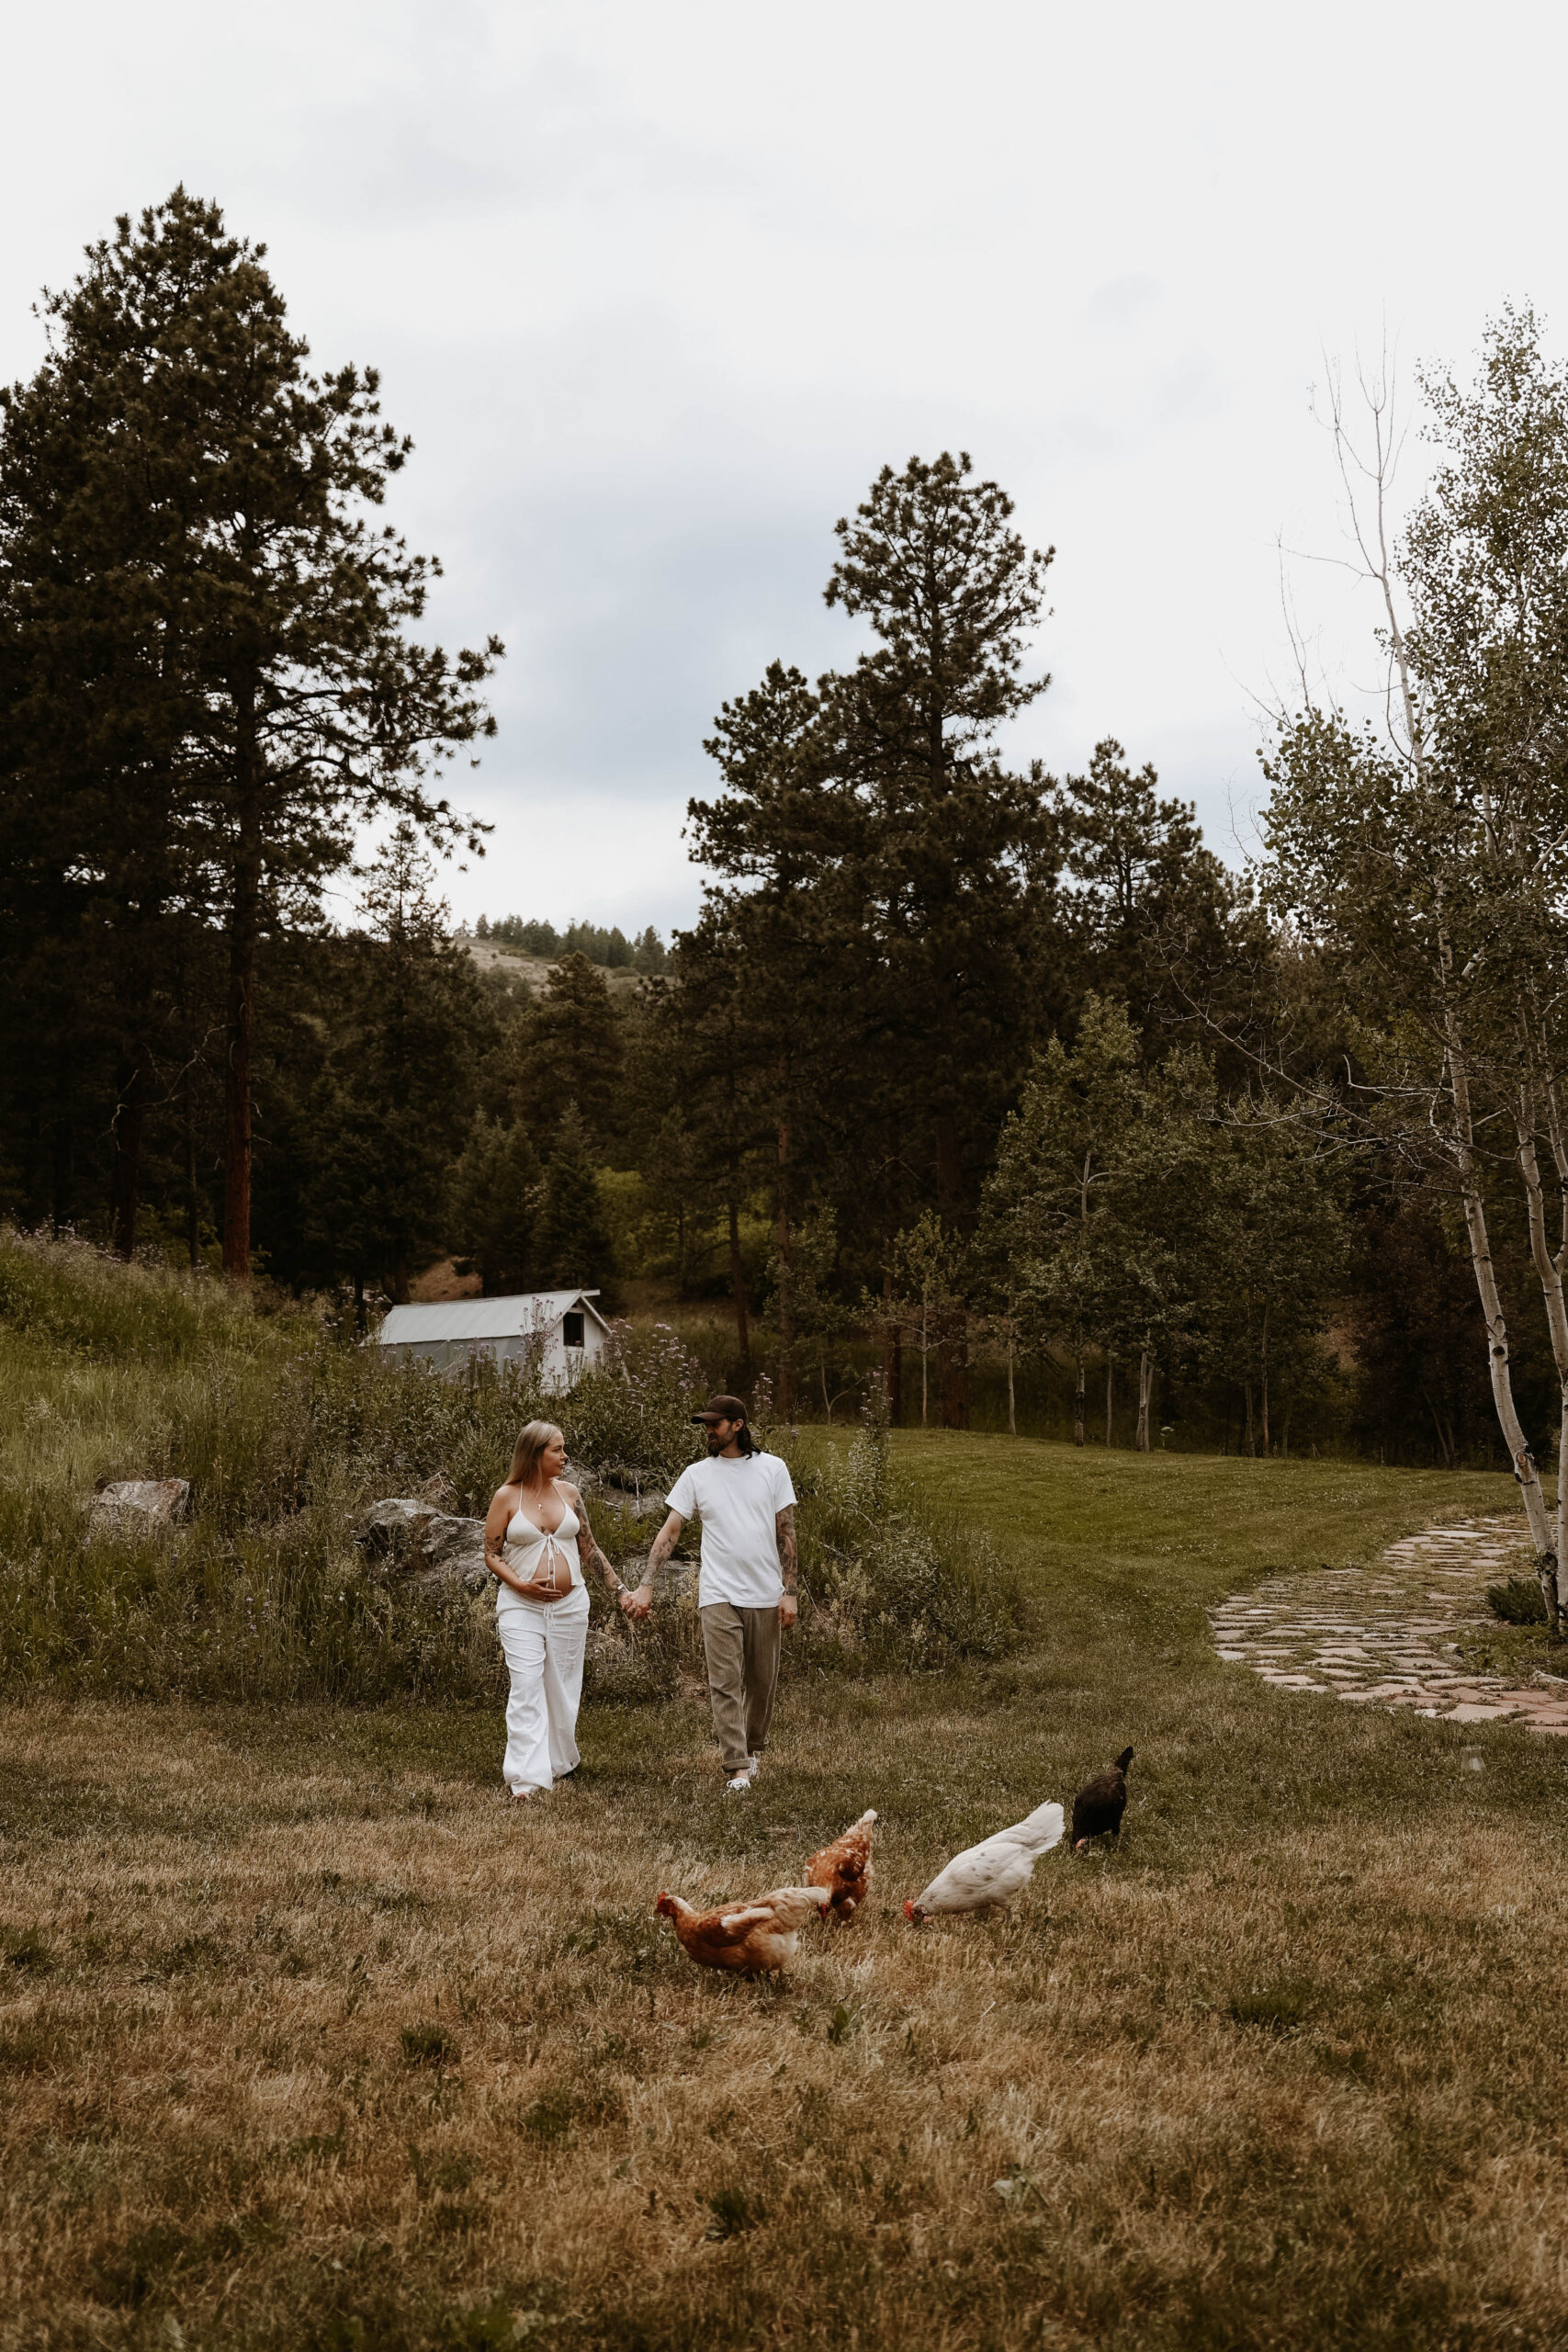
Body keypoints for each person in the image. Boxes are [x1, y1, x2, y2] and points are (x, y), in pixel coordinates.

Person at [621, 1394, 797, 1795]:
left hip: (765, 1593)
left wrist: (790, 1592)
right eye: (705, 1424)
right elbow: (671, 1530)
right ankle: (736, 1767)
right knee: (724, 1681)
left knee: (761, 1681)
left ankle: (751, 1748)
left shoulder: (773, 1469)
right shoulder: (696, 1474)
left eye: (714, 1424)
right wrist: (647, 1583)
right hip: (717, 1592)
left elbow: (785, 1532)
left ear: (737, 1425)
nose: (708, 1431)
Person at [482, 1419, 631, 1802]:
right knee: (526, 1684)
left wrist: (620, 1593)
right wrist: (519, 1584)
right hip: (520, 1607)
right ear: (534, 1454)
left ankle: (559, 1761)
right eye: (557, 1450)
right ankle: (525, 1779)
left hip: (570, 1606)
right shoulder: (507, 1497)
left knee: (563, 1688)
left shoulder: (570, 1494)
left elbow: (590, 1550)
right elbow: (491, 1553)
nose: (565, 1457)